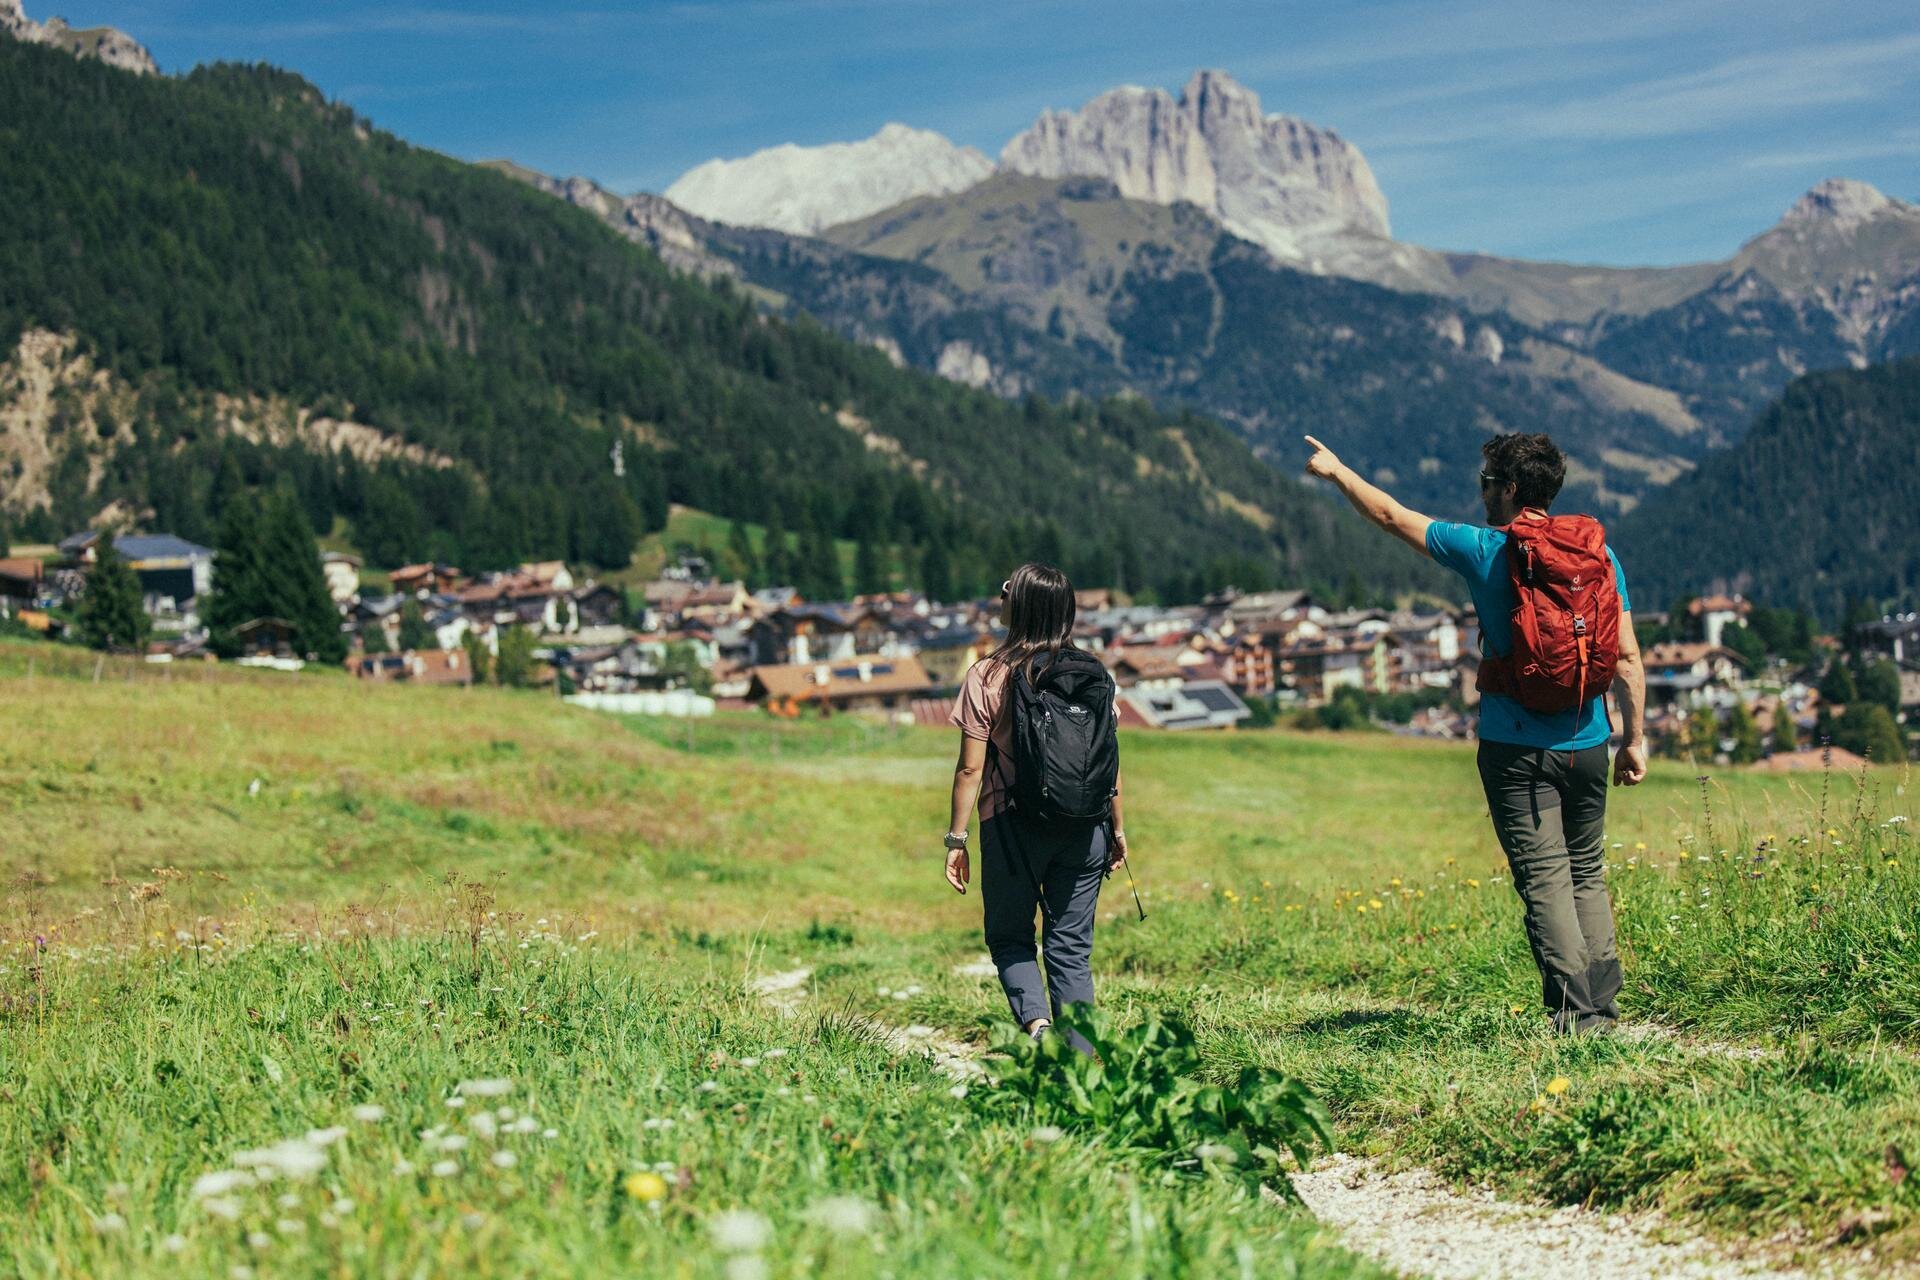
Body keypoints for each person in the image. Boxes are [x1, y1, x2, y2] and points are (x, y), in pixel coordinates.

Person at [1304, 432, 1648, 1034]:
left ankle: (1578, 1017)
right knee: (1586, 869)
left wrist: (1337, 472)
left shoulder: (1484, 549)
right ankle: (1603, 1005)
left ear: (1511, 489)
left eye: (1488, 482)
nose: (1482, 492)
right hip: (1589, 740)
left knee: (1544, 876)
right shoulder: (1599, 555)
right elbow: (1626, 658)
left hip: (1515, 747)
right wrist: (1634, 739)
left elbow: (1388, 515)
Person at [942, 562, 1128, 1048]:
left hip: (1011, 825)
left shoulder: (986, 675)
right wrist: (1118, 830)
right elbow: (1108, 760)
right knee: (1070, 949)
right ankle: (1081, 1063)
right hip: (1086, 826)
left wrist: (956, 839)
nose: (998, 596)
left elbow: (969, 770)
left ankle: (1039, 1026)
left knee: (1010, 937)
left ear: (1019, 606)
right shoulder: (1093, 674)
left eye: (1006, 590)